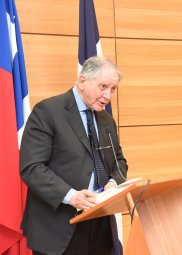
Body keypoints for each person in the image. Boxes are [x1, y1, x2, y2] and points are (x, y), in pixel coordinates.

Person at [20, 56, 128, 255]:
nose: (108, 95)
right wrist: (71, 196)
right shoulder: (48, 111)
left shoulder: (106, 119)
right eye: (103, 86)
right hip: (58, 227)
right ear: (82, 81)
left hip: (99, 224)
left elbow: (119, 160)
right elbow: (32, 168)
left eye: (113, 89)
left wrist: (114, 182)